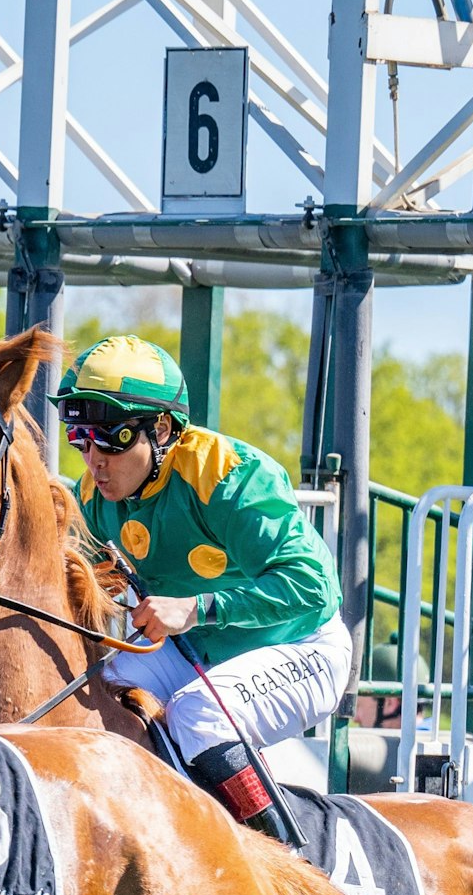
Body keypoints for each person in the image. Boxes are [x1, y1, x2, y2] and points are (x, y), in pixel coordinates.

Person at [54, 335, 348, 844]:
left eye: (113, 439)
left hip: (302, 646)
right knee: (91, 695)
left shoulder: (230, 476)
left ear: (162, 428)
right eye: (79, 438)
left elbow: (316, 587)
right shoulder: (93, 500)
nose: (93, 460)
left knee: (200, 713)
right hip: (194, 653)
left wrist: (197, 607)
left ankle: (288, 867)